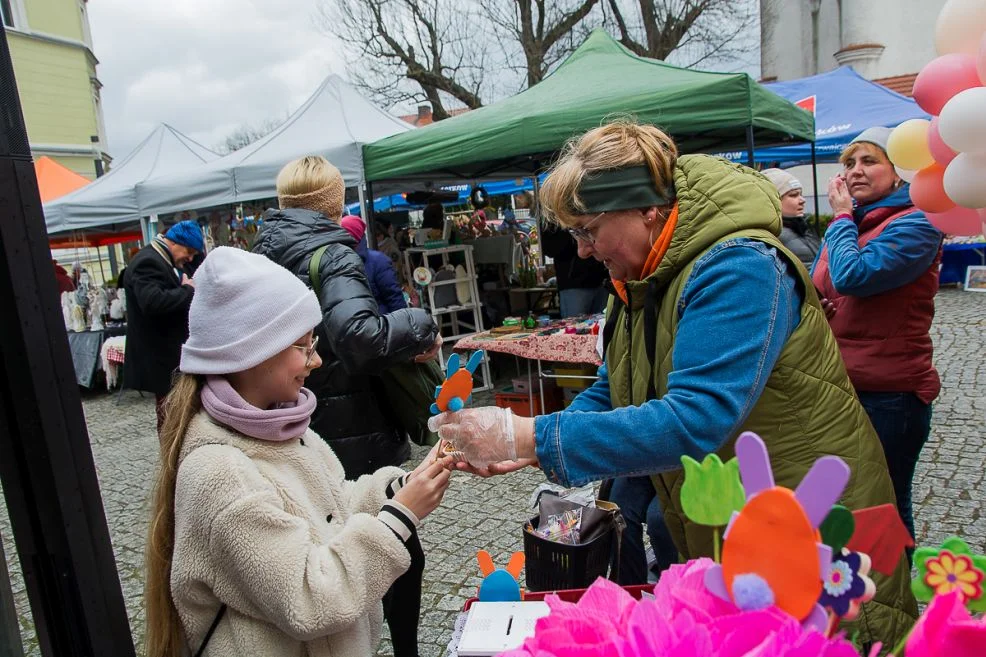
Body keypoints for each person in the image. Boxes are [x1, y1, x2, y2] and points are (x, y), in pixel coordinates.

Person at [430, 120, 917, 649]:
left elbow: (695, 417)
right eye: (576, 234)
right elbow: (619, 387)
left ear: (647, 209)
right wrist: (531, 439)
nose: (585, 250)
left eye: (589, 229)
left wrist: (528, 436)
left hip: (809, 520)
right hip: (740, 522)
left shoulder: (739, 267)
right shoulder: (640, 276)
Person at [143, 246, 453, 657]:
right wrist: (400, 517)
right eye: (304, 347)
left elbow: (334, 505)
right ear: (253, 352)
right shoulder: (220, 473)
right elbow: (311, 599)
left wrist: (401, 486)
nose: (318, 360)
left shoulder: (285, 428)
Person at [252, 155, 440, 657]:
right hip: (350, 422)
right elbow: (361, 336)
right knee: (396, 549)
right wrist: (418, 322)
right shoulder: (332, 252)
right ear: (335, 203)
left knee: (324, 544)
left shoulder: (262, 252)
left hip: (294, 421)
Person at [813, 127, 943, 549]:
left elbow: (855, 276)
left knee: (883, 505)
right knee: (844, 503)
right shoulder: (855, 223)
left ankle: (895, 603)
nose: (855, 171)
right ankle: (855, 599)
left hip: (890, 394)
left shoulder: (918, 222)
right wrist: (822, 308)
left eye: (869, 161)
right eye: (849, 163)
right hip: (841, 384)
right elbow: (823, 284)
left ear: (900, 173)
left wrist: (839, 219)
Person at [123, 220, 202, 430]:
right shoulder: (148, 261)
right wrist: (188, 290)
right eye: (189, 251)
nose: (190, 258)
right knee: (170, 420)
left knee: (174, 416)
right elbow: (152, 302)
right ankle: (171, 460)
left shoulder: (160, 258)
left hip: (165, 358)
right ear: (175, 242)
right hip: (160, 359)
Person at [341, 215, 407, 313]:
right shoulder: (337, 262)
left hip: (380, 323)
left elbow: (394, 298)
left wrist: (402, 324)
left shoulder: (378, 261)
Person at [540, 222, 609, 317]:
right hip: (575, 282)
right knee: (575, 328)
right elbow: (550, 248)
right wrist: (574, 230)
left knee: (602, 326)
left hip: (602, 278)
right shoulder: (553, 216)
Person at [761, 168, 821, 270]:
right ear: (774, 201)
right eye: (794, 195)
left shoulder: (802, 228)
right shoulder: (773, 236)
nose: (802, 200)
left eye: (801, 194)